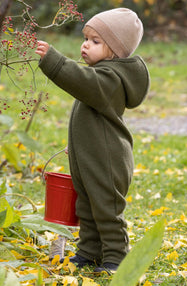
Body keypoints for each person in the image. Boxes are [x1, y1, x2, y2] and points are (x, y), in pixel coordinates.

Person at [35, 8, 150, 274]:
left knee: (107, 209)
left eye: (96, 41)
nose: (86, 45)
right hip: (90, 155)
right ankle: (89, 252)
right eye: (86, 38)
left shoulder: (109, 80)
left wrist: (55, 61)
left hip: (107, 158)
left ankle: (116, 256)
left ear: (116, 50)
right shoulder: (102, 73)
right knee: (86, 205)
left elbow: (80, 80)